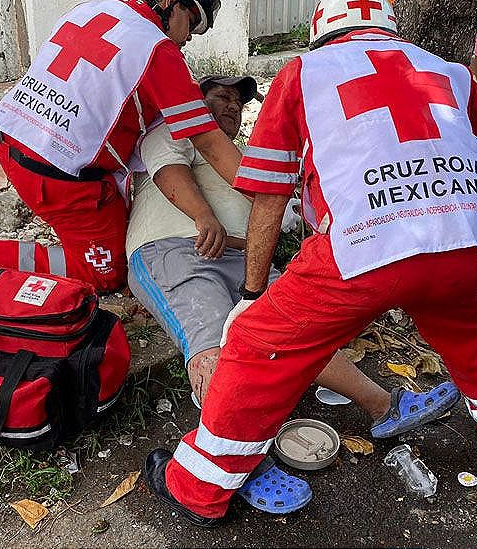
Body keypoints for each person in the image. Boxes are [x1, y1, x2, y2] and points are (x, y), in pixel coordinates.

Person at [144, 0, 477, 526]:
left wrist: (253, 295)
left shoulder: (303, 74)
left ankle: (198, 485)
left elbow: (270, 195)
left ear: (319, 33)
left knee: (258, 349)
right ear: (391, 28)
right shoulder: (455, 73)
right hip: (471, 238)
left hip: (364, 246)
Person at [126, 74, 459, 514]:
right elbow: (168, 170)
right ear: (196, 100)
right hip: (176, 245)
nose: (230, 106)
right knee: (210, 346)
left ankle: (384, 407)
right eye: (220, 97)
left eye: (238, 103)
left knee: (301, 329)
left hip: (244, 260)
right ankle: (233, 461)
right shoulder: (178, 129)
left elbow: (284, 216)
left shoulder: (246, 158)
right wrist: (204, 215)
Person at [0, 0, 242, 292]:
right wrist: (262, 190)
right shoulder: (158, 50)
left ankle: (79, 231)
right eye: (190, 23)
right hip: (56, 178)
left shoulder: (90, 10)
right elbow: (209, 142)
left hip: (9, 137)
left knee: (120, 211)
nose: (189, 38)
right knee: (109, 272)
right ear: (169, 1)